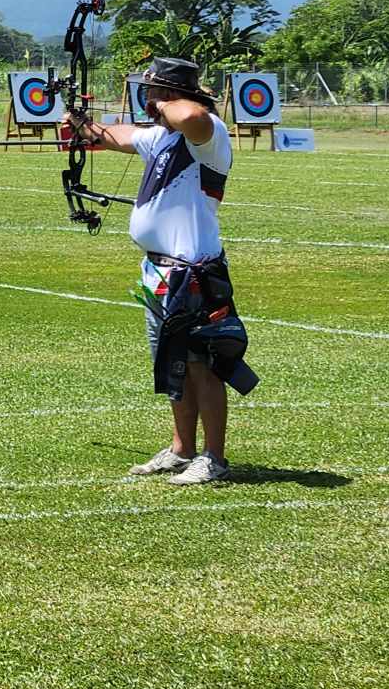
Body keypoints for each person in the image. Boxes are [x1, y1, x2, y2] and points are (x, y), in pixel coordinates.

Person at [68, 57, 258, 485]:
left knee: (201, 366)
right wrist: (81, 121)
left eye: (152, 93)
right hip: (159, 272)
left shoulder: (207, 135)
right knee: (172, 364)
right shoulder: (162, 139)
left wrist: (163, 102)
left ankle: (214, 456)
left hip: (193, 273)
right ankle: (181, 449)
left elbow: (190, 113)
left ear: (170, 96)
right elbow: (116, 137)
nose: (146, 101)